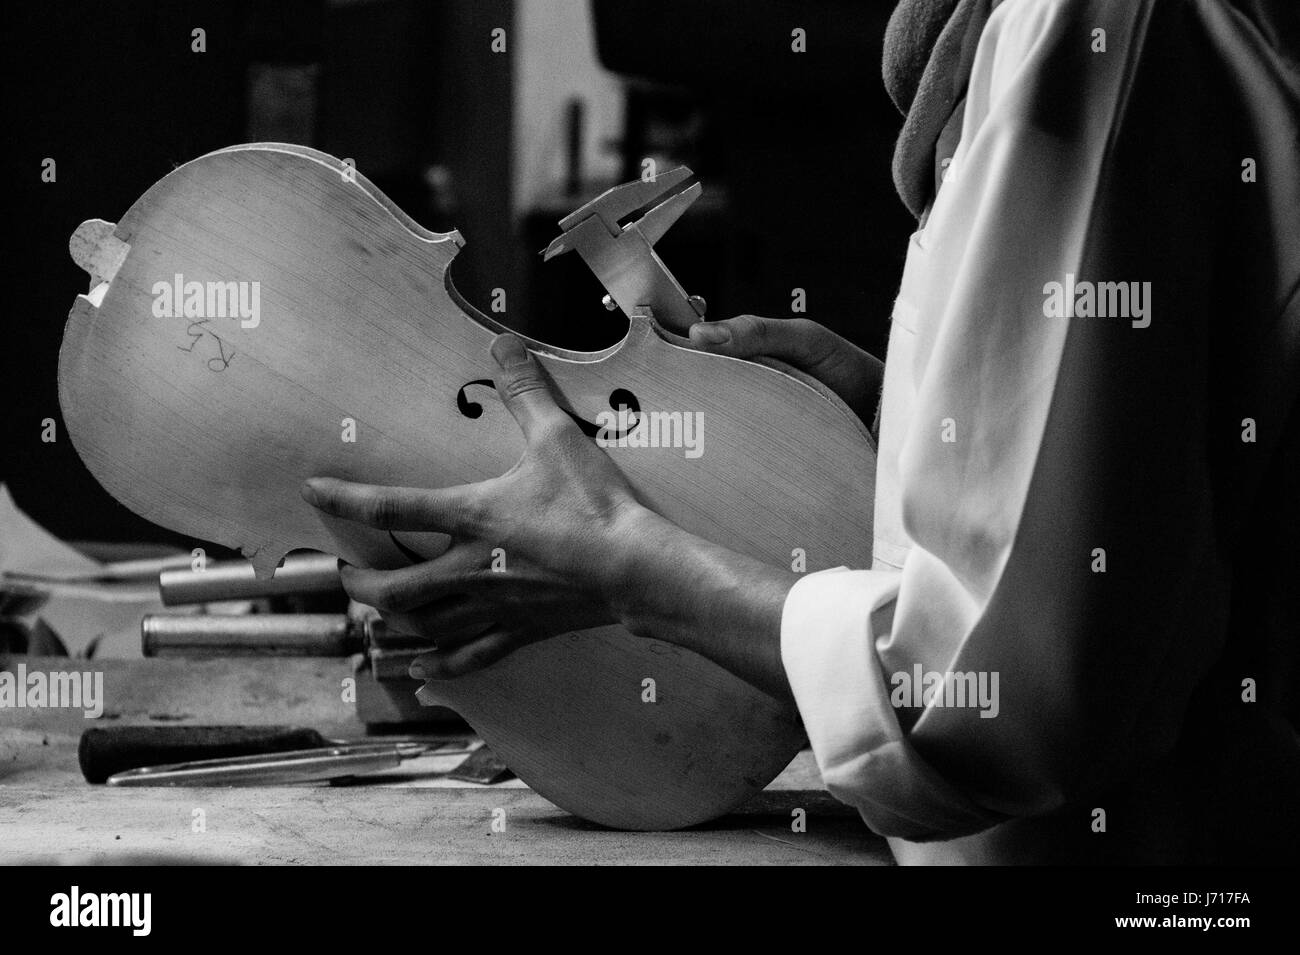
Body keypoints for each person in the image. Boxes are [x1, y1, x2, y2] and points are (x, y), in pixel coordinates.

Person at [301, 0, 1300, 863]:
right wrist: (900, 435)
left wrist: (630, 564)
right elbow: (1176, 476)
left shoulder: (1083, 28)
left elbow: (993, 705)